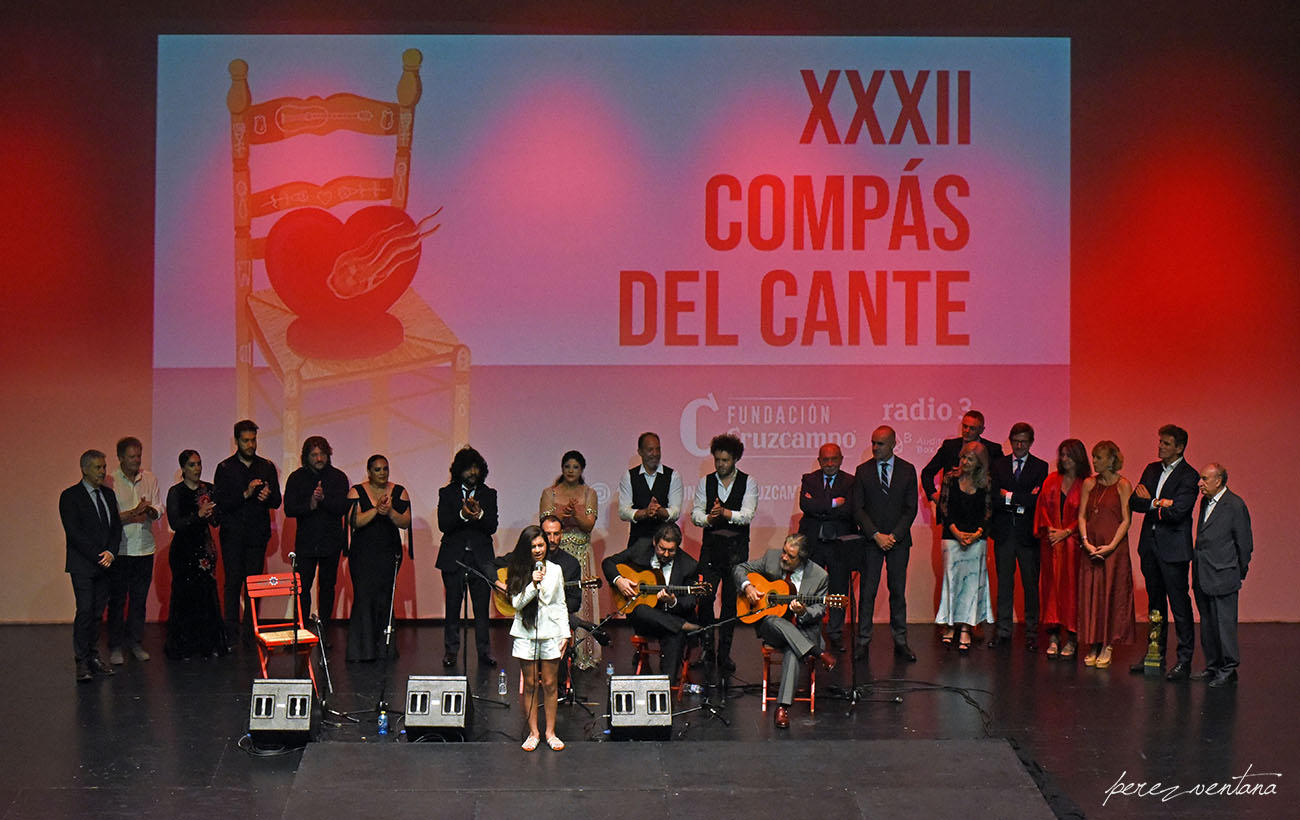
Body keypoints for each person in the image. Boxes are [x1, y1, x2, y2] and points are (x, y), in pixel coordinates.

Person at [734, 534, 832, 729]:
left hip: (802, 630)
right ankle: (817, 652)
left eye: (791, 556)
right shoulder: (772, 557)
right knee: (771, 619)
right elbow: (739, 569)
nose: (784, 558)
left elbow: (820, 610)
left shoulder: (819, 576)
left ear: (802, 559)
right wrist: (748, 587)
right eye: (784, 551)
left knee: (793, 650)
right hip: (772, 629)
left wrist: (803, 611)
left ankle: (782, 708)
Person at [1127, 424, 1198, 679]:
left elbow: (1179, 511)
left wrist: (1151, 504)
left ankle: (1184, 660)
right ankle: (1154, 655)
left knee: (1179, 605)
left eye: (1166, 443)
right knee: (1155, 604)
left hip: (1173, 550)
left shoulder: (1189, 475)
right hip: (1150, 546)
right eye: (1160, 442)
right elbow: (1135, 502)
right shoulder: (1151, 469)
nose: (1160, 446)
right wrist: (1158, 503)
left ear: (1179, 447)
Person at [690, 433, 758, 677]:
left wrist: (726, 513)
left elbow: (747, 514)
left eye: (725, 460)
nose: (720, 465)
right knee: (705, 599)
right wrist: (709, 517)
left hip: (736, 552)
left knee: (730, 602)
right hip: (710, 549)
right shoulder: (705, 482)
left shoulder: (748, 483)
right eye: (717, 460)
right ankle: (707, 649)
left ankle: (724, 653)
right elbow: (696, 514)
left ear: (735, 459)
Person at [851, 426, 919, 662]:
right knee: (867, 593)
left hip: (898, 542)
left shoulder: (908, 470)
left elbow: (911, 508)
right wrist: (875, 535)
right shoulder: (862, 471)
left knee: (897, 592)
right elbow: (857, 508)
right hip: (871, 542)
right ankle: (862, 641)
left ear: (893, 444)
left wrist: (894, 536)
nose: (875, 448)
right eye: (873, 443)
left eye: (880, 444)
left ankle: (900, 641)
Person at [603, 522, 699, 684]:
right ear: (655, 542)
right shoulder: (641, 547)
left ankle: (666, 689)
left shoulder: (689, 565)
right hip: (646, 620)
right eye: (662, 549)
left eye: (671, 550)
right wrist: (619, 581)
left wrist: (673, 601)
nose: (666, 554)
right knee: (640, 609)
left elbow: (690, 602)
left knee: (675, 635)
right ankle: (681, 625)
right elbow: (608, 563)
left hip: (670, 616)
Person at [212, 419, 281, 644]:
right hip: (232, 534)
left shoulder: (267, 466)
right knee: (232, 582)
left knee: (254, 583)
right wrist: (246, 493)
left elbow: (277, 501)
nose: (251, 445)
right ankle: (230, 631)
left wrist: (267, 496)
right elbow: (220, 503)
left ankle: (251, 629)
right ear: (237, 441)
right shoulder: (225, 468)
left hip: (257, 534)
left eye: (253, 440)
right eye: (246, 440)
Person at [506, 526, 571, 752]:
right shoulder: (518, 569)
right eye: (533, 546)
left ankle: (550, 733)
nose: (537, 550)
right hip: (526, 632)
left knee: (551, 684)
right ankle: (534, 733)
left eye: (541, 545)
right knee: (531, 684)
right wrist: (533, 584)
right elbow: (516, 603)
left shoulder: (555, 570)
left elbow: (560, 603)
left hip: (551, 632)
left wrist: (565, 633)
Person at [59, 449, 122, 682]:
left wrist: (111, 553)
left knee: (97, 613)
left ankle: (94, 657)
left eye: (104, 467)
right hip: (83, 565)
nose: (103, 472)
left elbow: (116, 528)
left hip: (105, 565)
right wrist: (98, 555)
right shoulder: (70, 496)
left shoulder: (108, 494)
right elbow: (74, 533)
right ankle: (82, 661)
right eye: (98, 467)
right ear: (84, 469)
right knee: (85, 611)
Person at [435, 446, 499, 668]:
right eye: (468, 469)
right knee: (453, 607)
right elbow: (444, 524)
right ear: (458, 471)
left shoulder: (488, 494)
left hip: (481, 559)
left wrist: (479, 514)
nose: (473, 473)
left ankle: (484, 652)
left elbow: (492, 526)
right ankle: (451, 651)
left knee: (481, 609)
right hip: (454, 558)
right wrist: (462, 514)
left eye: (476, 468)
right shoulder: (447, 493)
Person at [988, 423, 1049, 650]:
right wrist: (1022, 497)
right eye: (1016, 441)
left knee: (1030, 585)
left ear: (1031, 442)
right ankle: (1003, 630)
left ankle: (1032, 631)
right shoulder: (998, 465)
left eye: (1024, 441)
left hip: (1028, 535)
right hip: (1004, 532)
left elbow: (1037, 500)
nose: (1020, 445)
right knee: (1004, 584)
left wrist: (1010, 496)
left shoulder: (1040, 467)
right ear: (1010, 441)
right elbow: (994, 497)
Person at [345, 455, 411, 662]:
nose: (382, 473)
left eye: (385, 469)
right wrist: (376, 510)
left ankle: (385, 649)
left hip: (388, 553)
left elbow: (405, 521)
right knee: (364, 597)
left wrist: (389, 511)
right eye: (377, 469)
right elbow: (353, 521)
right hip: (363, 554)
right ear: (369, 471)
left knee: (385, 598)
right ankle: (362, 650)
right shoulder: (357, 491)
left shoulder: (399, 491)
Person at [1191, 463, 1252, 687]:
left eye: (1205, 479)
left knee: (1224, 624)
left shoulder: (1234, 505)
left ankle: (1228, 667)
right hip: (1203, 574)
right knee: (1208, 624)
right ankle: (1213, 665)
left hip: (1223, 573)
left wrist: (1238, 570)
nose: (1200, 483)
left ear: (1218, 481)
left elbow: (1244, 543)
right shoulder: (1204, 502)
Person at [162, 450, 228, 660]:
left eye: (199, 464)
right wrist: (197, 515)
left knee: (206, 593)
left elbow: (217, 521)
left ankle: (208, 645)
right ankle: (184, 646)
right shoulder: (176, 492)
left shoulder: (208, 489)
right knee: (185, 594)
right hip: (184, 549)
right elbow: (175, 523)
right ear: (183, 468)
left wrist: (211, 514)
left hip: (204, 548)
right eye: (192, 465)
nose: (197, 468)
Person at [539, 450, 600, 669]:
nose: (571, 471)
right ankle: (552, 650)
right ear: (562, 469)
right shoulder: (550, 493)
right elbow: (545, 524)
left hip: (581, 553)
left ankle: (583, 654)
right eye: (567, 466)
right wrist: (562, 518)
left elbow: (589, 524)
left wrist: (575, 515)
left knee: (579, 602)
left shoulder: (589, 493)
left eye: (575, 467)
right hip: (556, 552)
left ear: (581, 469)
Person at [1077, 441, 1135, 669]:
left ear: (1112, 460)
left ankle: (1108, 643)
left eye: (1099, 457)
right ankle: (1094, 641)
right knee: (1093, 594)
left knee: (1111, 593)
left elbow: (1126, 519)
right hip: (1091, 547)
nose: (1095, 461)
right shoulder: (1089, 484)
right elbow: (1082, 516)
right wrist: (1086, 542)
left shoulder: (1123, 485)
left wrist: (1110, 546)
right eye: (1093, 457)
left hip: (1113, 548)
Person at [283, 436, 350, 626]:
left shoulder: (338, 477)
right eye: (314, 455)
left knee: (328, 587)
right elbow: (289, 509)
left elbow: (343, 507)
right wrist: (311, 504)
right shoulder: (296, 478)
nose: (319, 458)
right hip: (306, 543)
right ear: (306, 457)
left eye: (322, 454)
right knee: (303, 587)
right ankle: (302, 628)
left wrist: (323, 500)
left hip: (331, 541)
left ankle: (324, 630)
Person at [105, 436, 161, 665]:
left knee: (139, 600)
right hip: (120, 550)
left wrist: (150, 512)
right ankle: (115, 646)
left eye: (139, 455)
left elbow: (159, 506)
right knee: (118, 600)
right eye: (131, 457)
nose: (136, 460)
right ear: (120, 458)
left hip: (144, 549)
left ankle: (135, 642)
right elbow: (108, 518)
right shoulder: (110, 482)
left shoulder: (149, 478)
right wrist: (133, 512)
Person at [797, 443, 857, 651]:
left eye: (834, 459)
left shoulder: (850, 481)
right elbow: (805, 506)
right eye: (825, 460)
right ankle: (808, 630)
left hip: (838, 546)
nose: (830, 464)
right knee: (811, 588)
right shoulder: (809, 479)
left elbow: (848, 511)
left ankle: (835, 632)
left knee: (838, 589)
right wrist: (832, 504)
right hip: (814, 544)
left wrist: (818, 506)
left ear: (841, 459)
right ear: (819, 460)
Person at [935, 441, 993, 652]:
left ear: (979, 462)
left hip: (976, 539)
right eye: (963, 458)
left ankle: (967, 627)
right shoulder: (950, 478)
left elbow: (987, 512)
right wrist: (957, 534)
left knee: (971, 586)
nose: (965, 462)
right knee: (952, 582)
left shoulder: (985, 482)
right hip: (952, 538)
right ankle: (950, 624)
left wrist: (977, 534)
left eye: (969, 459)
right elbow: (944, 508)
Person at [1033, 439, 1089, 658]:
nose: (1064, 459)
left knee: (1071, 590)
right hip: (1052, 546)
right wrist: (1052, 531)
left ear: (1078, 458)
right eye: (1062, 455)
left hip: (1074, 547)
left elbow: (1085, 515)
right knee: (1051, 590)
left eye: (1068, 455)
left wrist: (1067, 531)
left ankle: (1072, 638)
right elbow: (1042, 509)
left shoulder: (1086, 483)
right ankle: (1053, 636)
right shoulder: (1051, 481)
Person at [920, 410, 1005, 504]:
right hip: (951, 505)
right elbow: (927, 472)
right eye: (965, 426)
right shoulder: (949, 447)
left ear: (981, 430)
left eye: (972, 428)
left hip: (979, 506)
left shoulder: (992, 449)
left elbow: (1000, 479)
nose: (967, 431)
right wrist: (933, 494)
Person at [617, 432, 683, 547]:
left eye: (658, 449)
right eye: (650, 450)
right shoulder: (629, 476)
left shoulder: (673, 475)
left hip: (665, 543)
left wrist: (659, 511)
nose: (655, 454)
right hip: (637, 542)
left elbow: (675, 511)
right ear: (640, 452)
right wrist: (644, 513)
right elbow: (623, 512)